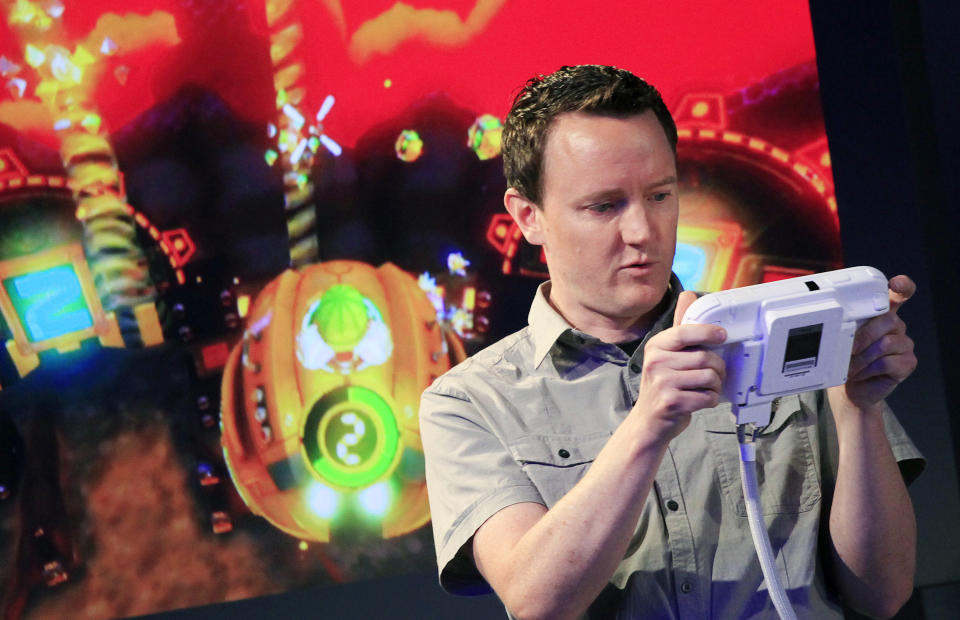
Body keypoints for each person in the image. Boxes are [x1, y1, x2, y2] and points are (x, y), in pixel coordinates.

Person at [419, 64, 924, 619]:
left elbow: (883, 593)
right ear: (527, 216)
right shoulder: (468, 401)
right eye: (604, 206)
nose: (642, 231)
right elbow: (537, 602)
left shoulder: (776, 327)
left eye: (659, 195)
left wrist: (858, 412)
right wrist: (647, 425)